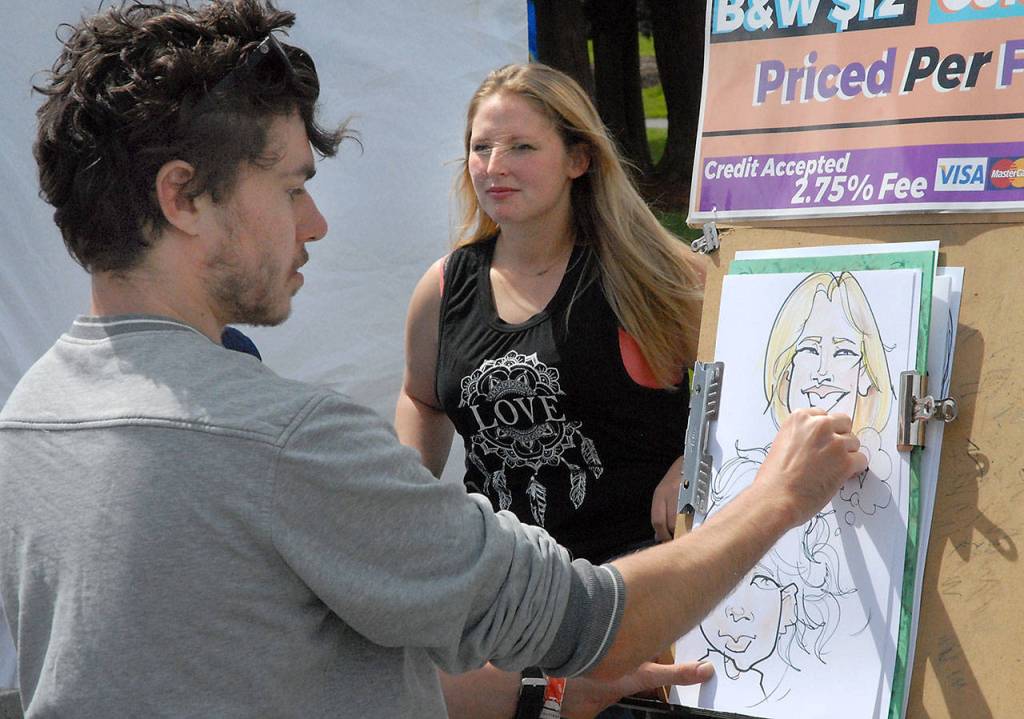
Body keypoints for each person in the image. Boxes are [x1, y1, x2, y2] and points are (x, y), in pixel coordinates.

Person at [0, 2, 866, 718]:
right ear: (183, 197)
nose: (316, 224)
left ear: (576, 161)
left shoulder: (29, 418)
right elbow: (591, 617)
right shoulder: (286, 443)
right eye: (293, 187)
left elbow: (296, 668)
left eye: (521, 146)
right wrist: (775, 498)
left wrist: (552, 694)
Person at [396, 63, 704, 566]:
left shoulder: (649, 273)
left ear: (578, 159)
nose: (495, 166)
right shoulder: (444, 285)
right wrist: (408, 501)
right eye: (481, 147)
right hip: (504, 583)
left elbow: (750, 386)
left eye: (522, 147)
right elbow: (421, 398)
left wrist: (691, 460)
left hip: (638, 583)